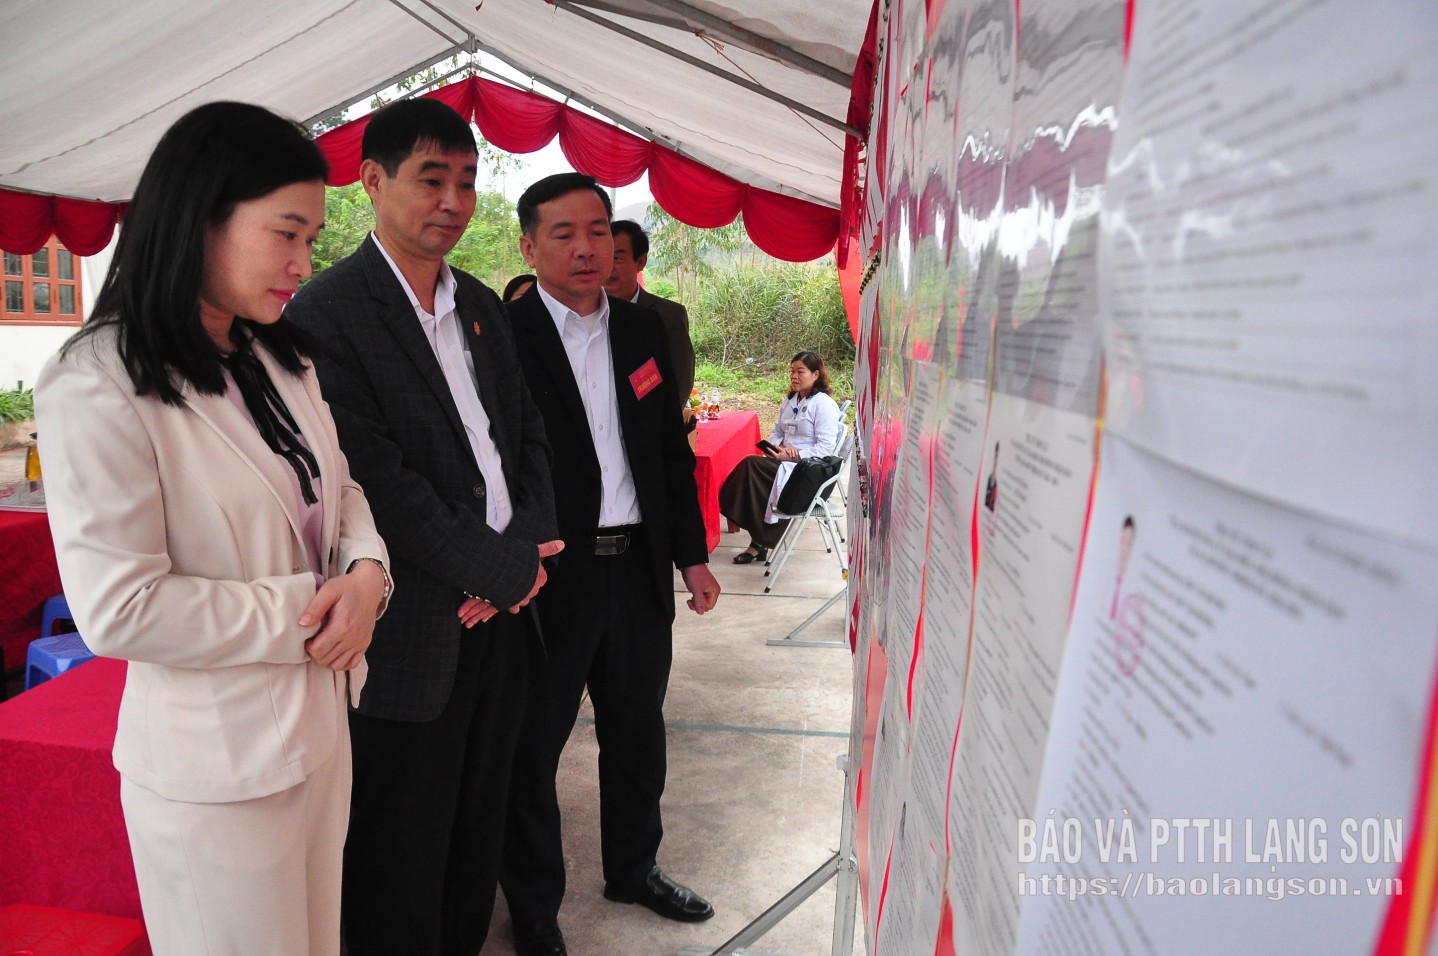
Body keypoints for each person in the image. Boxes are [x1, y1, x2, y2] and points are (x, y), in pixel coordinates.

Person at [34, 101, 390, 955]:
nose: (304, 263)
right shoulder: (99, 381)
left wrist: (368, 573)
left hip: (320, 731)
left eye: (312, 238)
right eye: (287, 233)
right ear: (200, 219)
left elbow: (337, 487)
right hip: (217, 771)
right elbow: (121, 607)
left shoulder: (278, 354)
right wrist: (310, 607)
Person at [284, 98, 561, 955]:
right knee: (399, 850)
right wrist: (498, 571)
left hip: (506, 618)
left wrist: (526, 559)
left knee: (479, 827)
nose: (453, 201)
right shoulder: (327, 312)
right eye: (431, 178)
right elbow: (374, 478)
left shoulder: (478, 302)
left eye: (467, 182)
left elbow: (525, 436)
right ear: (373, 180)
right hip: (409, 626)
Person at [501, 173, 722, 956]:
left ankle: (634, 868)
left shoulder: (639, 331)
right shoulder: (502, 336)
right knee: (533, 746)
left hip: (636, 568)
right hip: (550, 576)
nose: (586, 247)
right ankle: (534, 908)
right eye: (563, 233)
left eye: (598, 230)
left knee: (636, 731)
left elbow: (668, 452)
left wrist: (692, 557)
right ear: (530, 246)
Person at [719, 351, 843, 564]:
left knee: (751, 465)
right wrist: (777, 447)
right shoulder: (790, 400)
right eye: (792, 371)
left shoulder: (823, 404)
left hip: (807, 470)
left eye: (800, 372)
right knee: (755, 479)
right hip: (785, 462)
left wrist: (796, 455)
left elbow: (826, 448)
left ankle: (759, 540)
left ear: (816, 375)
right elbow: (777, 430)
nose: (794, 376)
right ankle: (758, 541)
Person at [605, 220, 695, 417]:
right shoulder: (582, 312)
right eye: (603, 256)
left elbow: (681, 381)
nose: (608, 267)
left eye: (617, 258)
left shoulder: (668, 316)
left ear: (640, 262)